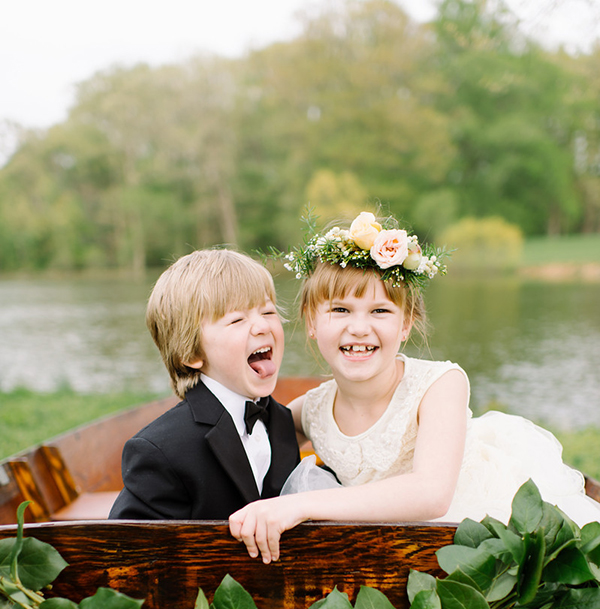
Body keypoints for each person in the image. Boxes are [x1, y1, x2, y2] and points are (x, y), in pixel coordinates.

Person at [229, 211, 600, 563]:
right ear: (311, 322)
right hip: (397, 546)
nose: (359, 328)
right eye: (340, 310)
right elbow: (254, 441)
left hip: (480, 523)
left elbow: (431, 495)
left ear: (405, 325)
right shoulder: (310, 410)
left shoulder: (439, 385)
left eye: (380, 311)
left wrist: (299, 504)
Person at [109, 248, 300, 520]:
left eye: (268, 312)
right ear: (191, 354)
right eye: (237, 319)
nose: (262, 326)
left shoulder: (281, 420)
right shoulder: (161, 449)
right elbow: (126, 549)